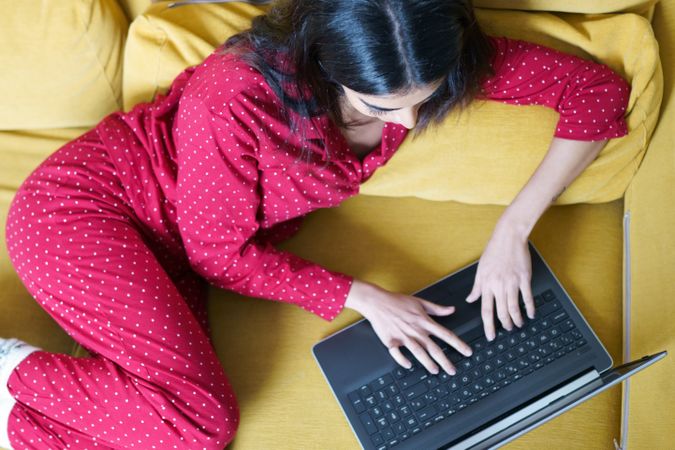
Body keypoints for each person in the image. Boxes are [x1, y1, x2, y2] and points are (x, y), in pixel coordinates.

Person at [0, 0, 630, 448]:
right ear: (324, 66)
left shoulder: (427, 50)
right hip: (83, 215)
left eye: (427, 98)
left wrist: (512, 231)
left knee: (145, 437)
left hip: (169, 248)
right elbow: (216, 253)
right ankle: (7, 365)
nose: (407, 125)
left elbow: (596, 95)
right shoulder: (235, 94)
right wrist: (368, 299)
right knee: (198, 428)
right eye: (381, 106)